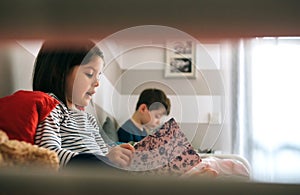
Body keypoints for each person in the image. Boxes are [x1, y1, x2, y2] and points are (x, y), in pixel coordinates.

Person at [32, 40, 135, 170]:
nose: (97, 83)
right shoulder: (50, 107)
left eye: (98, 76)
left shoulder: (89, 119)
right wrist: (104, 160)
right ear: (59, 71)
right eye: (89, 74)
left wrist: (115, 153)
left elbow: (103, 153)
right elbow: (48, 155)